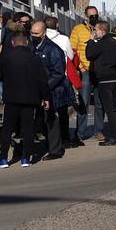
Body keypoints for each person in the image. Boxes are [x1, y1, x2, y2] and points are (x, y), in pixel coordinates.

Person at [0, 33, 49, 168]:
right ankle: (26, 158)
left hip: (12, 98)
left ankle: (4, 158)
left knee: (7, 128)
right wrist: (45, 97)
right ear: (27, 43)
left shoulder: (7, 57)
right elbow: (42, 80)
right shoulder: (34, 58)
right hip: (30, 98)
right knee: (28, 128)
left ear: (12, 43)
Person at [31, 21, 73, 161]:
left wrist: (44, 88)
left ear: (44, 33)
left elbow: (58, 73)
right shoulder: (32, 46)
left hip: (52, 90)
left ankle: (55, 150)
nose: (33, 35)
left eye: (36, 33)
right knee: (40, 121)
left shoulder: (53, 49)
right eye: (32, 32)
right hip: (38, 90)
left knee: (50, 120)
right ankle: (51, 145)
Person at [43, 16, 80, 148]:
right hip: (62, 78)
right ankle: (64, 138)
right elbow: (70, 56)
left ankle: (49, 139)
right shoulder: (64, 39)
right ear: (57, 24)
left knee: (47, 111)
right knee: (63, 110)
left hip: (45, 79)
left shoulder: (40, 40)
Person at [85, 20, 116, 146]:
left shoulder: (102, 43)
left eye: (96, 30)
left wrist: (91, 41)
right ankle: (113, 134)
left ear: (102, 31)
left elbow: (89, 54)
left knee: (109, 109)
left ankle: (112, 137)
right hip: (114, 78)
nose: (94, 32)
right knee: (111, 108)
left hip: (105, 79)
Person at [70, 6, 102, 141]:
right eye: (91, 16)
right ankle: (80, 132)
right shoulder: (78, 30)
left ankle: (99, 131)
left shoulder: (101, 28)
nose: (94, 18)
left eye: (96, 15)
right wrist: (79, 67)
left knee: (100, 103)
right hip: (86, 71)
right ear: (85, 17)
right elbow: (72, 50)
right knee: (84, 102)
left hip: (100, 71)